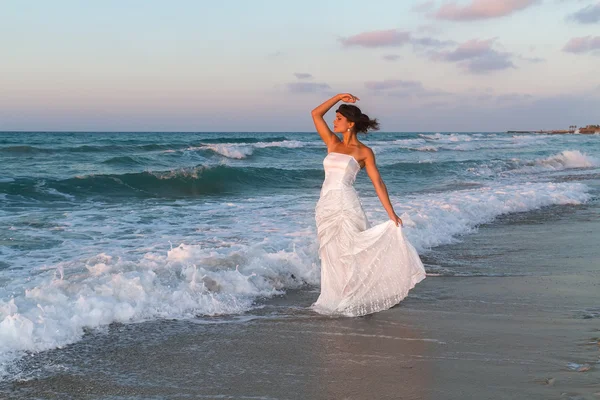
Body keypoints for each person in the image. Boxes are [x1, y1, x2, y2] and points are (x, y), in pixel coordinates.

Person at [310, 93, 426, 317]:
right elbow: (315, 114)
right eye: (335, 118)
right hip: (325, 205)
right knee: (331, 253)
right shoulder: (332, 143)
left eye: (339, 118)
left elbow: (378, 183)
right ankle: (337, 298)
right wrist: (338, 97)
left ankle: (356, 296)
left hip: (346, 204)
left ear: (350, 124)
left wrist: (391, 214)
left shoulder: (364, 152)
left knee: (351, 251)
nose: (334, 122)